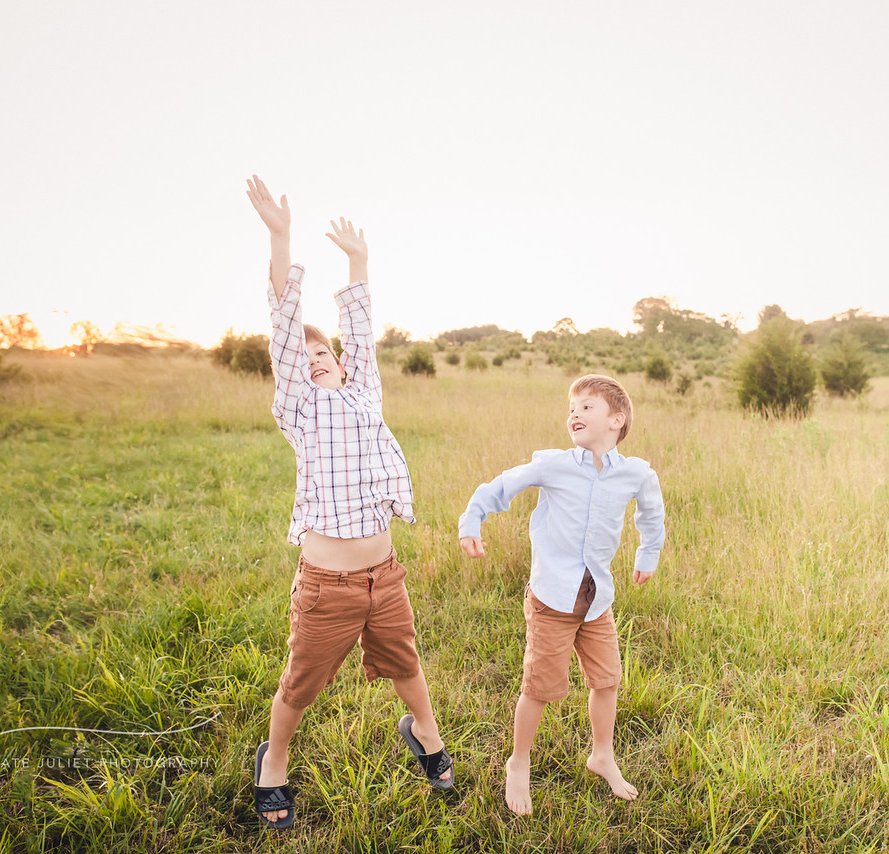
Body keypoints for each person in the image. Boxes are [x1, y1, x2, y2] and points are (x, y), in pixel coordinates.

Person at [245, 175, 452, 831]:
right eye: (302, 356)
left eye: (323, 351)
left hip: (383, 577)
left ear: (340, 363)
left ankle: (425, 731)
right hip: (328, 584)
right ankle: (273, 762)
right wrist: (281, 238)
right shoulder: (300, 411)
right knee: (301, 682)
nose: (315, 358)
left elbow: (361, 335)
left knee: (405, 663)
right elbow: (283, 327)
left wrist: (359, 264)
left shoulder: (364, 395)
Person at [458, 374, 665, 816]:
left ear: (616, 419)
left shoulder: (635, 473)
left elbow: (652, 511)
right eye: (571, 407)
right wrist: (471, 521)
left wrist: (649, 553)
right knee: (540, 685)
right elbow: (502, 486)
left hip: (597, 601)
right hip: (553, 599)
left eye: (587, 406)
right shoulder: (554, 465)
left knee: (607, 680)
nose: (574, 413)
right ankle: (519, 760)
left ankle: (602, 755)